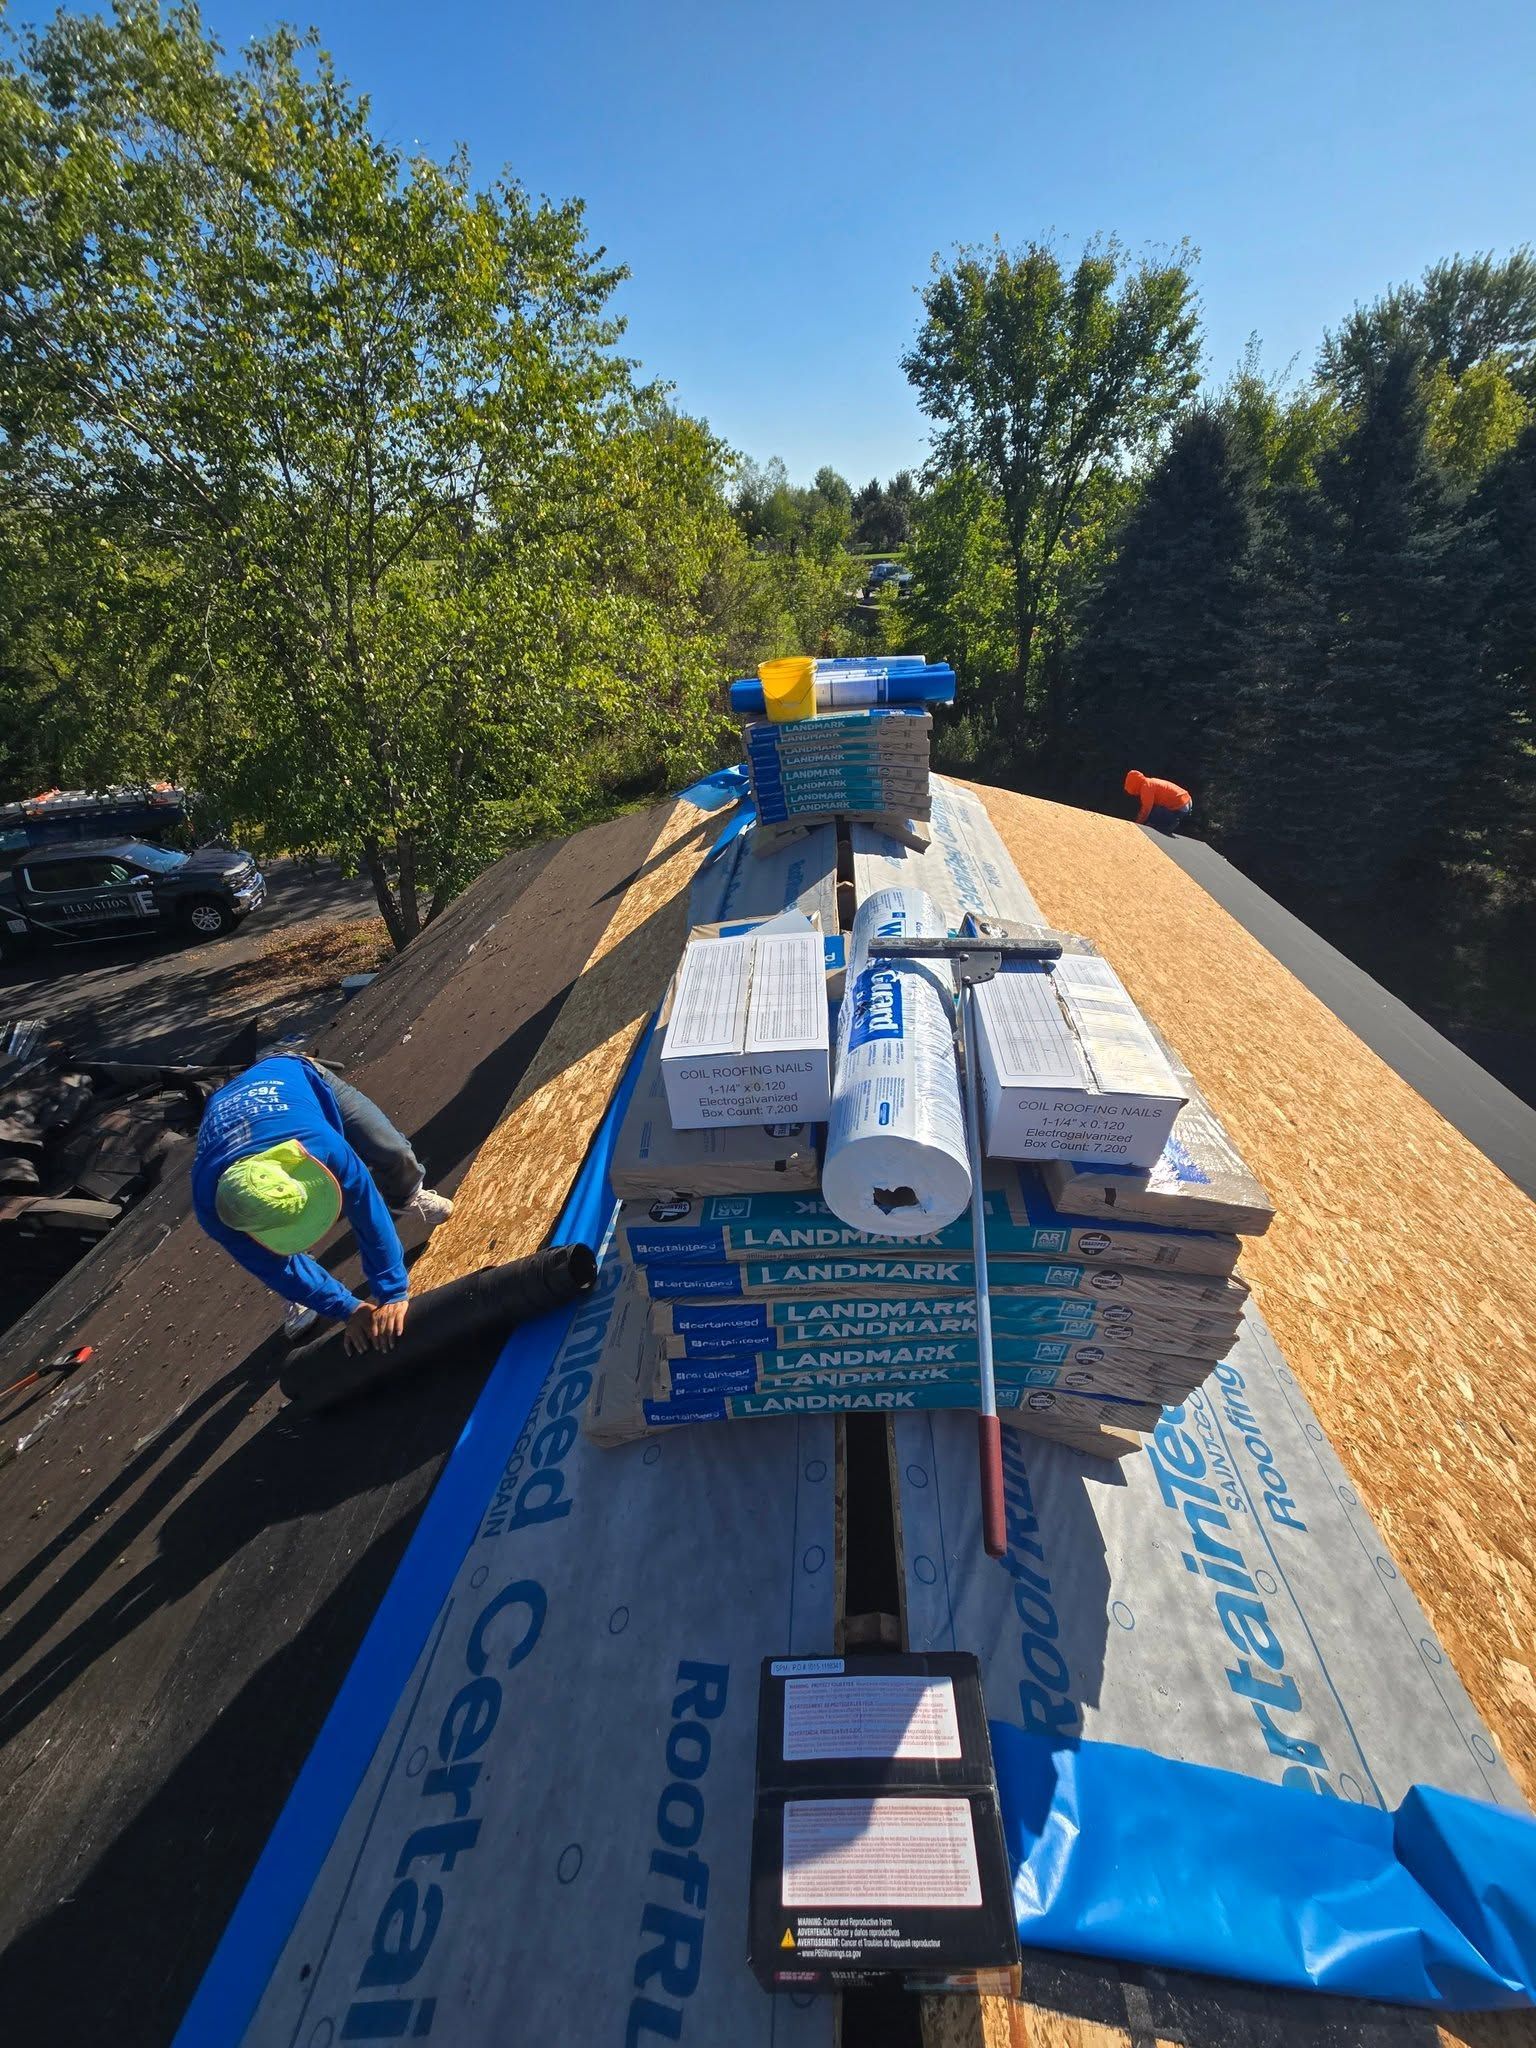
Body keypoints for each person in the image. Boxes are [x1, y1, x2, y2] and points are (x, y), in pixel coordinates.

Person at [191, 1054, 453, 1353]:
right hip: (226, 1109)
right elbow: (269, 1265)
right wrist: (346, 1308)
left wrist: (392, 1291)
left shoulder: (320, 1146)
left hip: (299, 1076)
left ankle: (406, 1194)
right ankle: (301, 1279)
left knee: (390, 1149)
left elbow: (366, 1209)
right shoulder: (213, 1208)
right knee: (279, 1251)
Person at [1124, 769, 1193, 835]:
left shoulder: (1146, 787)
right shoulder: (1150, 782)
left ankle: (1171, 822)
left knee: (1155, 815)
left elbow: (1146, 809)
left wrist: (1137, 825)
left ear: (1134, 784)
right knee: (1154, 812)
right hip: (1186, 801)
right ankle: (1170, 820)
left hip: (1180, 805)